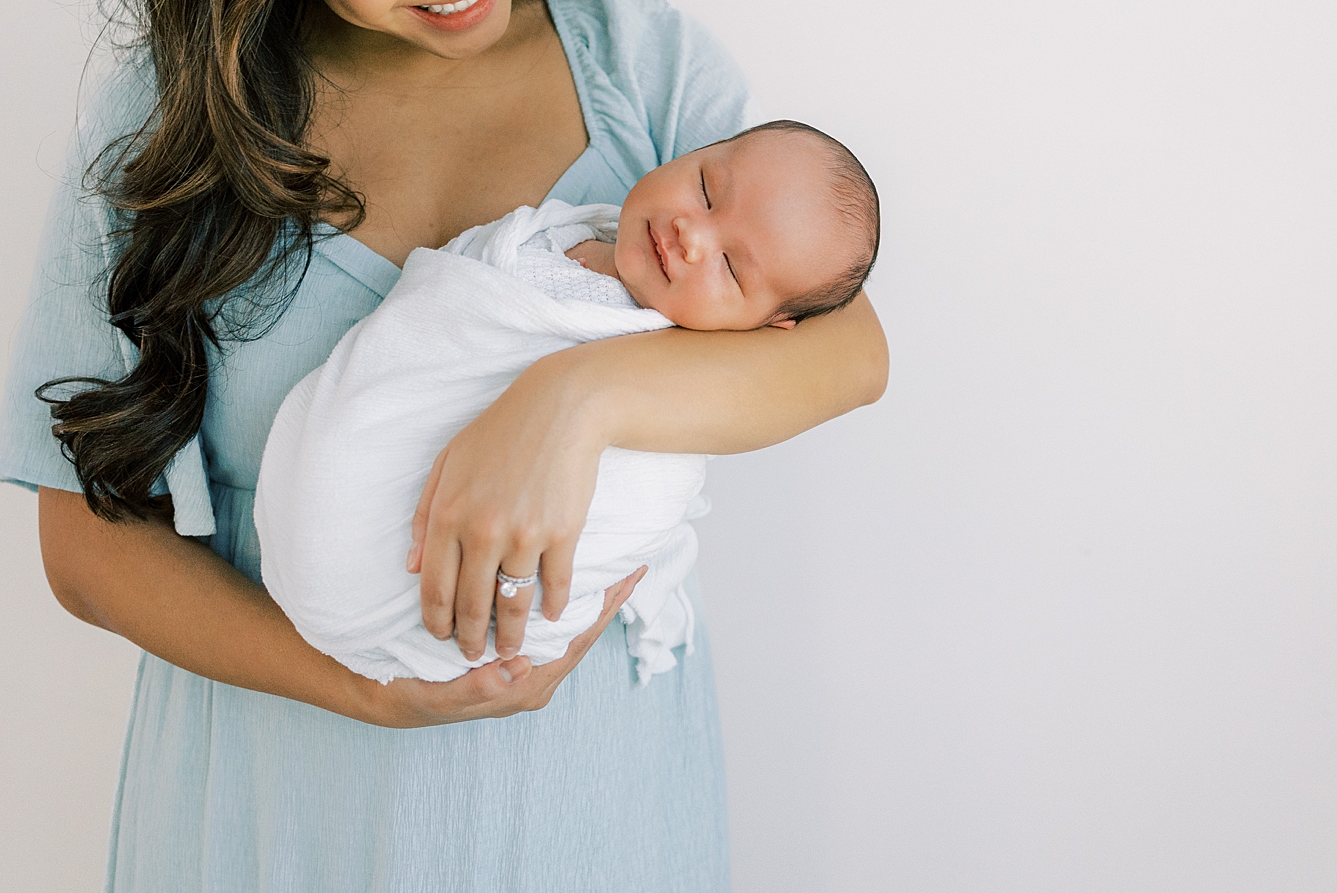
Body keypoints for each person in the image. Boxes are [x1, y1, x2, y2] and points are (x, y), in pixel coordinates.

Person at [0, 0, 887, 893]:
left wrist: (574, 398)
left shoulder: (644, 74)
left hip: (590, 807)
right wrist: (356, 692)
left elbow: (848, 350)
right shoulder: (174, 122)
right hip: (273, 804)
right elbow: (86, 544)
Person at [255, 122, 881, 688]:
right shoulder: (554, 232)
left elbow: (604, 548)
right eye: (706, 189)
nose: (694, 235)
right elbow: (433, 313)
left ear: (771, 326)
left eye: (732, 269)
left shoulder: (669, 428)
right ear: (695, 150)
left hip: (413, 604)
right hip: (312, 495)